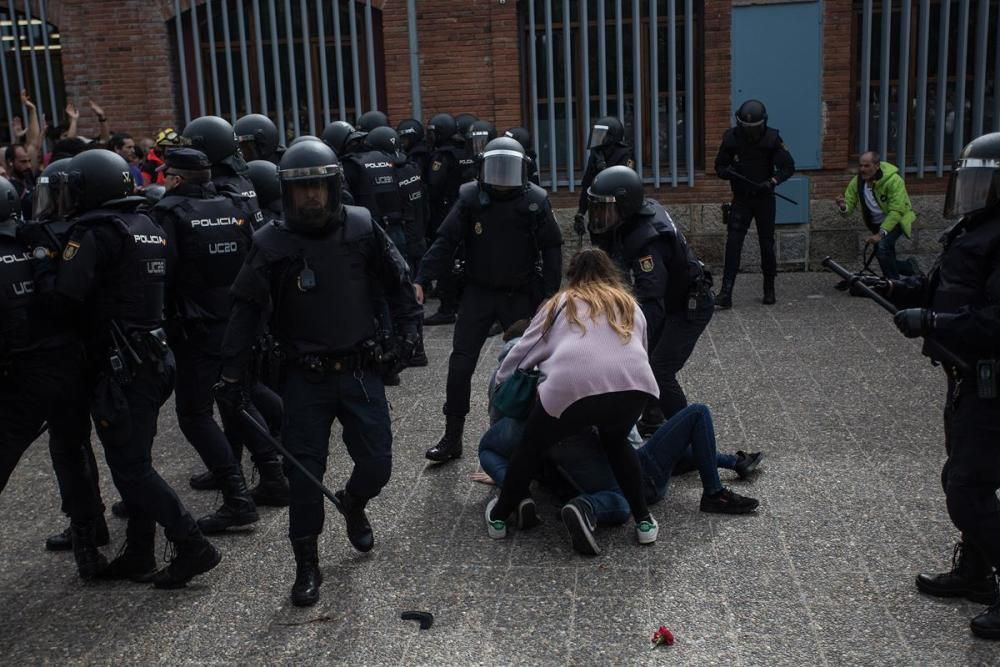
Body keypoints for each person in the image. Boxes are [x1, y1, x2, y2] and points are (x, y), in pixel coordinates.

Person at [216, 140, 422, 607]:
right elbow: (245, 311)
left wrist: (409, 333)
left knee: (378, 465)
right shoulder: (271, 242)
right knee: (305, 476)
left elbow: (398, 283)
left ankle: (354, 502)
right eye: (301, 190)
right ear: (289, 195)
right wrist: (231, 375)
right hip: (303, 377)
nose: (310, 198)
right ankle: (306, 563)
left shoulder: (363, 227)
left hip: (360, 369)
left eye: (317, 189)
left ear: (333, 188)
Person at [50, 149, 221, 588]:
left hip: (122, 364)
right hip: (153, 357)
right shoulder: (146, 224)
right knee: (135, 459)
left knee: (131, 469)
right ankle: (140, 553)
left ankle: (191, 542)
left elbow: (65, 298)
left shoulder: (95, 232)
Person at [879, 132, 1000, 640]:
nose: (970, 191)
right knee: (967, 475)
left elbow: (993, 321)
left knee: (967, 486)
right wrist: (904, 289)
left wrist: (931, 320)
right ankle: (974, 572)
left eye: (981, 182)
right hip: (966, 377)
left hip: (992, 380)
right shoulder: (972, 229)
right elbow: (946, 285)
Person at [485, 248, 660, 545]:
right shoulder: (630, 304)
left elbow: (523, 352)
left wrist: (501, 384)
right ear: (610, 273)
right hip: (635, 387)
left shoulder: (560, 304)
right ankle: (644, 522)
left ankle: (500, 516)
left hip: (571, 389)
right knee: (616, 443)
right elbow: (640, 350)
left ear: (572, 276)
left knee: (530, 447)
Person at [414, 136, 563, 463]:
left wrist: (551, 298)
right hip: (479, 293)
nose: (501, 177)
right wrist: (422, 278)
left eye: (508, 169)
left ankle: (530, 437)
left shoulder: (535, 201)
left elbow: (552, 250)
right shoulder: (470, 198)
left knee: (530, 366)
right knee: (460, 364)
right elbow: (446, 240)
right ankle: (452, 437)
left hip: (520, 295)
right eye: (495, 168)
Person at [0, 175, 109, 579]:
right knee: (71, 448)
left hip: (20, 380)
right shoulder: (52, 237)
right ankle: (88, 541)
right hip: (67, 368)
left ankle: (88, 533)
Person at [150, 148, 260, 535]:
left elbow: (163, 274)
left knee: (195, 414)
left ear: (177, 179)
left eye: (167, 176)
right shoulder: (234, 203)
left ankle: (237, 498)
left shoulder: (168, 213)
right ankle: (275, 476)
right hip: (238, 320)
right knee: (238, 400)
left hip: (196, 328)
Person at [586, 166, 714, 431]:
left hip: (689, 306)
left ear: (626, 206)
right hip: (672, 299)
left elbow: (651, 304)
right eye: (596, 207)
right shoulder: (629, 222)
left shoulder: (649, 244)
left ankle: (690, 434)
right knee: (645, 360)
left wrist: (626, 339)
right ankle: (654, 418)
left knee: (660, 370)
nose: (599, 216)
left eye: (605, 209)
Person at [713, 99, 795, 308]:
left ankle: (769, 288)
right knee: (733, 244)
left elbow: (787, 167)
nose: (751, 132)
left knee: (766, 244)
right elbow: (719, 166)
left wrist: (773, 181)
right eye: (747, 127)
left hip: (764, 199)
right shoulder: (731, 138)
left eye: (755, 127)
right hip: (741, 199)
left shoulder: (772, 138)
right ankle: (726, 292)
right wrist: (728, 172)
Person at [836, 151, 917, 280]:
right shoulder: (857, 181)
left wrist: (880, 234)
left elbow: (897, 211)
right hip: (876, 224)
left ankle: (893, 285)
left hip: (896, 221)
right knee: (885, 254)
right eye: (861, 166)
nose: (862, 169)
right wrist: (843, 206)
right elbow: (849, 204)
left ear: (877, 166)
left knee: (883, 248)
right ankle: (909, 268)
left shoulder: (893, 180)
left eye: (867, 166)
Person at [421, 112, 466, 326]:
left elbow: (434, 185)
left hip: (446, 214)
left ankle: (446, 308)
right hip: (465, 211)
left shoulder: (442, 156)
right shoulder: (464, 151)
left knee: (446, 260)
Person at [574, 116, 634, 236]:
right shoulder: (596, 154)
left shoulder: (625, 154)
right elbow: (588, 185)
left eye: (602, 134)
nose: (598, 138)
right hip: (598, 210)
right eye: (597, 134)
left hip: (619, 211)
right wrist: (581, 213)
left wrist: (603, 168)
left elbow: (621, 184)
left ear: (612, 136)